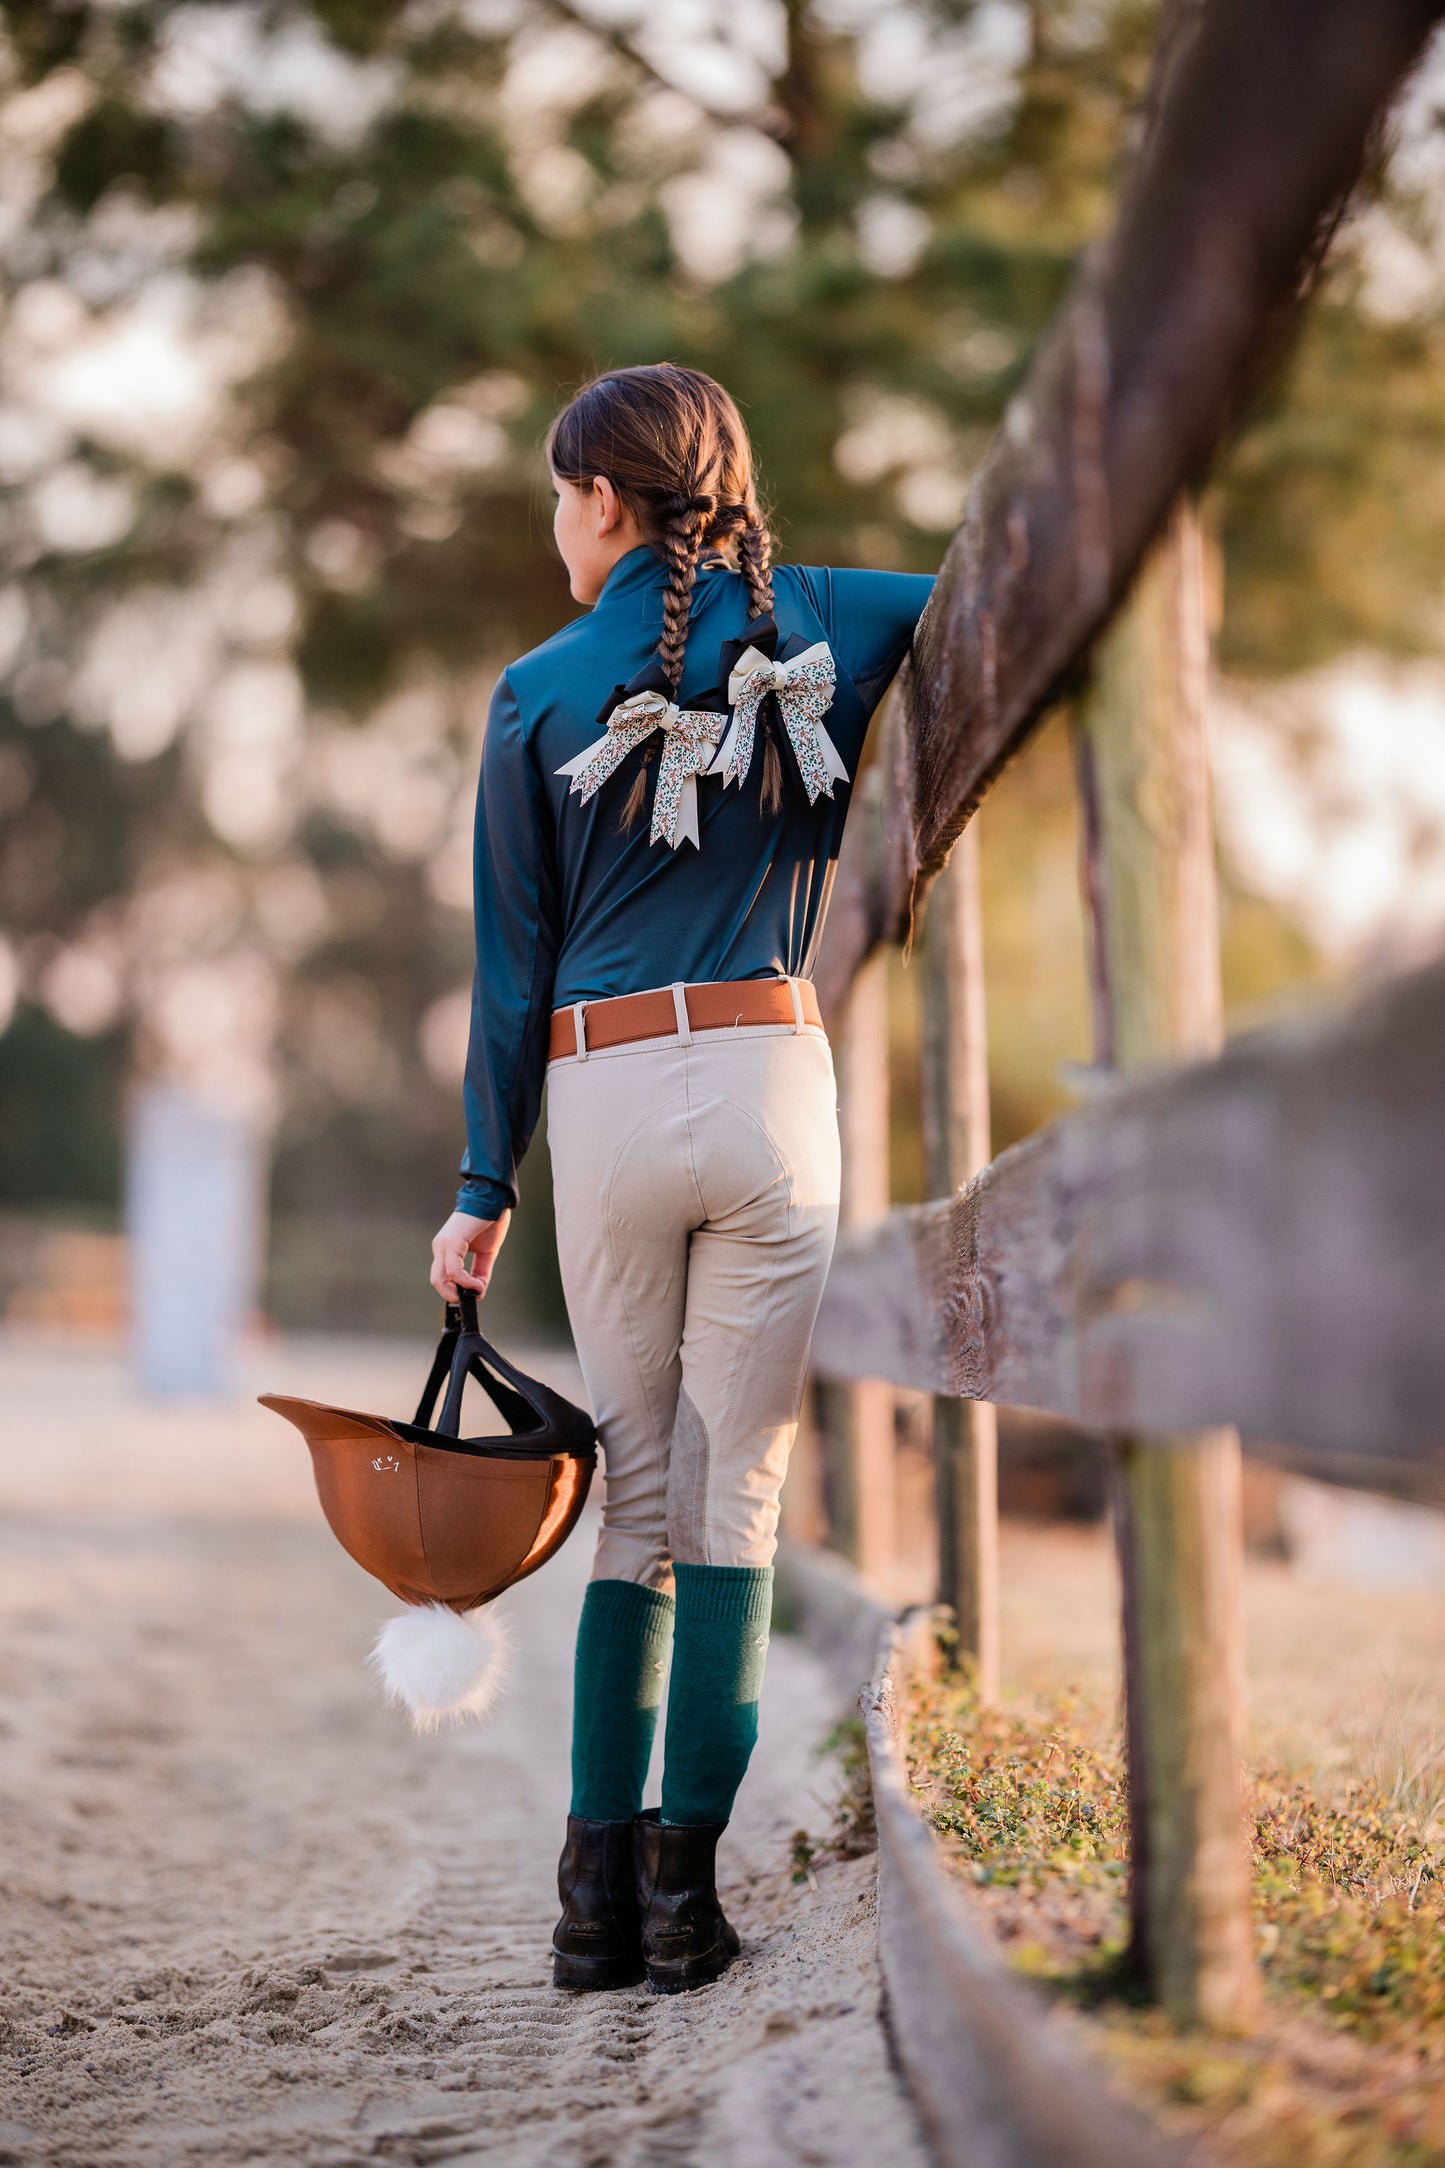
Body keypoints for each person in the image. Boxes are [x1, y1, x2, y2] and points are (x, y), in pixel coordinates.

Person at [429, 364, 933, 1996]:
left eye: (553, 498)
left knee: (631, 1503)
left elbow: (511, 977)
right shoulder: (836, 621)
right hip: (774, 1079)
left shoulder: (536, 687)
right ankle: (684, 1900)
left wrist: (475, 1185)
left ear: (599, 501)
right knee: (743, 1508)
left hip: (608, 1093)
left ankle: (588, 1906)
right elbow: (996, 592)